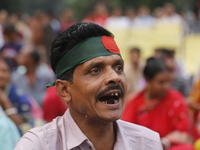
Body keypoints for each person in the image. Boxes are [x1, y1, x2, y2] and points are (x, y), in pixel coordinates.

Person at [14, 22, 162, 150]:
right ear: (65, 90)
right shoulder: (38, 146)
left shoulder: (147, 143)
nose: (114, 77)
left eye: (118, 68)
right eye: (95, 70)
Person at [122, 57, 193, 150]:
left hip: (168, 146)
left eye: (168, 82)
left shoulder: (176, 99)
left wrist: (164, 142)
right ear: (148, 80)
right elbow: (126, 131)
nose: (166, 87)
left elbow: (184, 133)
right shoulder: (135, 101)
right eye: (161, 82)